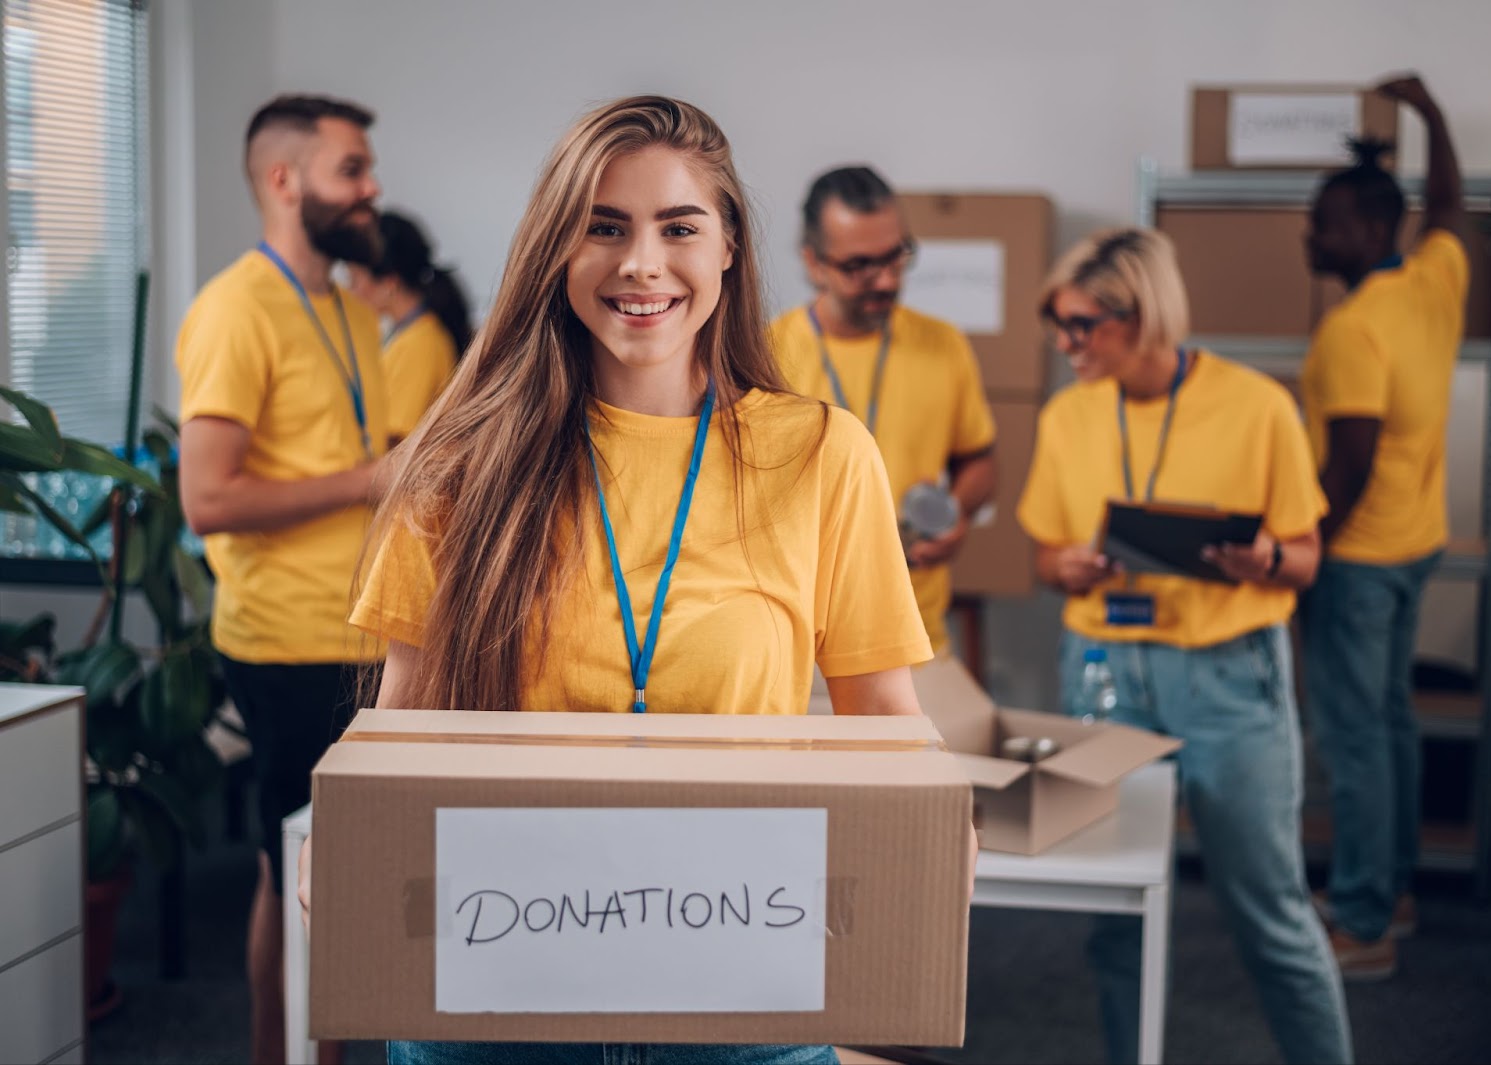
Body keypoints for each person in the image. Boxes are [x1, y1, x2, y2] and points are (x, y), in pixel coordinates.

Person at [300, 95, 969, 1065]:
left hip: (739, 981)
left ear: (730, 246)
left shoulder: (822, 455)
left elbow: (882, 718)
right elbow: (410, 715)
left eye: (678, 228)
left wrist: (941, 820)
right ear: (554, 253)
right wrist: (343, 832)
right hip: (502, 987)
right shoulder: (461, 463)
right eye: (603, 228)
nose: (641, 263)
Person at [1017, 227, 1352, 1065]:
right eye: (1057, 324)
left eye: (1082, 325)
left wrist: (1263, 558)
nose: (1066, 344)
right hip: (1104, 675)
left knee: (1269, 910)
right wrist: (1074, 564)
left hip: (1227, 678)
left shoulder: (1257, 407)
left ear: (1144, 316)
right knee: (1115, 912)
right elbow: (1044, 558)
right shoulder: (1067, 414)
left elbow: (1306, 557)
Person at [175, 94, 390, 1065]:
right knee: (296, 862)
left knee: (330, 867)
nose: (371, 184)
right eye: (351, 167)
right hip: (285, 641)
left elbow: (358, 463)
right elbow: (208, 499)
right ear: (283, 180)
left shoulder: (348, 309)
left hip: (361, 634)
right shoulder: (233, 308)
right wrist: (371, 478)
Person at [1299, 72, 1468, 981]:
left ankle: (1361, 925)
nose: (1307, 234)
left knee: (1357, 738)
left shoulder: (1351, 330)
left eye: (1322, 219)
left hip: (1361, 559)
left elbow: (1350, 465)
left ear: (1368, 227)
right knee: (1393, 723)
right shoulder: (1436, 279)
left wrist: (1302, 555)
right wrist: (1433, 115)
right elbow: (1446, 201)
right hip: (1420, 544)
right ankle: (1392, 891)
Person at [770, 166, 997, 655]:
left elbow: (978, 460)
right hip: (798, 643)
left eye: (897, 257)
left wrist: (957, 515)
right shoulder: (764, 357)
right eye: (860, 266)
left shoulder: (944, 346)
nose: (887, 280)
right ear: (814, 263)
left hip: (916, 635)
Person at [345, 210, 474, 445]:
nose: (350, 291)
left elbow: (394, 443)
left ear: (389, 283)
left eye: (354, 280)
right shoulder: (408, 334)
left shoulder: (420, 344)